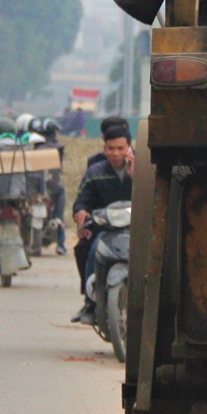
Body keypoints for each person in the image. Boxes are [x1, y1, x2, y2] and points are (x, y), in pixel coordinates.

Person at [70, 123, 133, 324]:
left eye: (120, 148)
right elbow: (82, 199)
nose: (116, 153)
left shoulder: (143, 169)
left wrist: (136, 175)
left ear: (129, 148)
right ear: (104, 149)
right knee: (85, 249)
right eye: (111, 148)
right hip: (105, 227)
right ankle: (90, 301)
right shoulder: (95, 172)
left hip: (137, 227)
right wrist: (80, 212)